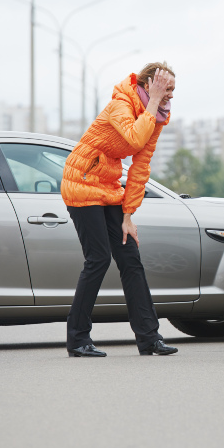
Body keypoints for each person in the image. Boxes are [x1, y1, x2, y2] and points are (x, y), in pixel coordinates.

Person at [60, 62, 179, 357]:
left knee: (129, 257)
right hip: (81, 179)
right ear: (150, 84)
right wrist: (153, 100)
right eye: (167, 89)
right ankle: (77, 339)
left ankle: (149, 338)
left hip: (107, 184)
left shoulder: (155, 117)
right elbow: (134, 139)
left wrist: (128, 216)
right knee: (98, 258)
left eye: (173, 91)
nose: (170, 96)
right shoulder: (121, 104)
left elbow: (140, 167)